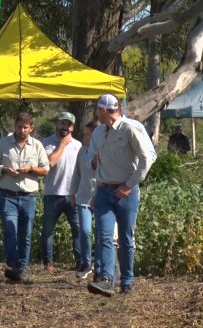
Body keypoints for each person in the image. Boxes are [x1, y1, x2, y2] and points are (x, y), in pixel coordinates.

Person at [87, 94, 151, 297]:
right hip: (105, 190)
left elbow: (146, 159)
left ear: (105, 111)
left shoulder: (130, 129)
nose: (97, 112)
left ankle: (127, 280)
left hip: (127, 192)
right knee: (104, 235)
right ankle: (107, 279)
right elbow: (97, 163)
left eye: (99, 109)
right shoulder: (98, 132)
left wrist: (129, 184)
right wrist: (95, 190)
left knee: (126, 237)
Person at [0, 112, 49, 282]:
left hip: (29, 196)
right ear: (14, 126)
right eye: (19, 127)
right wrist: (4, 170)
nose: (22, 130)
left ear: (31, 128)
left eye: (25, 127)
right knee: (10, 228)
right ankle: (13, 264)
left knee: (26, 234)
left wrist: (30, 169)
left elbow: (45, 169)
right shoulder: (3, 144)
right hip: (7, 195)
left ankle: (22, 268)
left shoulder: (37, 146)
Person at [40, 112, 82, 273]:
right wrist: (63, 144)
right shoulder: (47, 143)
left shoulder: (78, 145)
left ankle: (80, 262)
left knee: (78, 231)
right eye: (62, 123)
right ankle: (48, 263)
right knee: (48, 230)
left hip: (73, 195)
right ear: (57, 125)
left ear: (72, 127)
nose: (65, 127)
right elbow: (51, 162)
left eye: (68, 124)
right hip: (53, 194)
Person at [70, 120, 99, 279]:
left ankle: (100, 263)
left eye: (89, 134)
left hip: (100, 197)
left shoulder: (104, 151)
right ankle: (86, 262)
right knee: (85, 231)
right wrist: (72, 193)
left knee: (102, 233)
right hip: (83, 197)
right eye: (86, 134)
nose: (85, 137)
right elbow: (77, 174)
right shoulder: (82, 151)